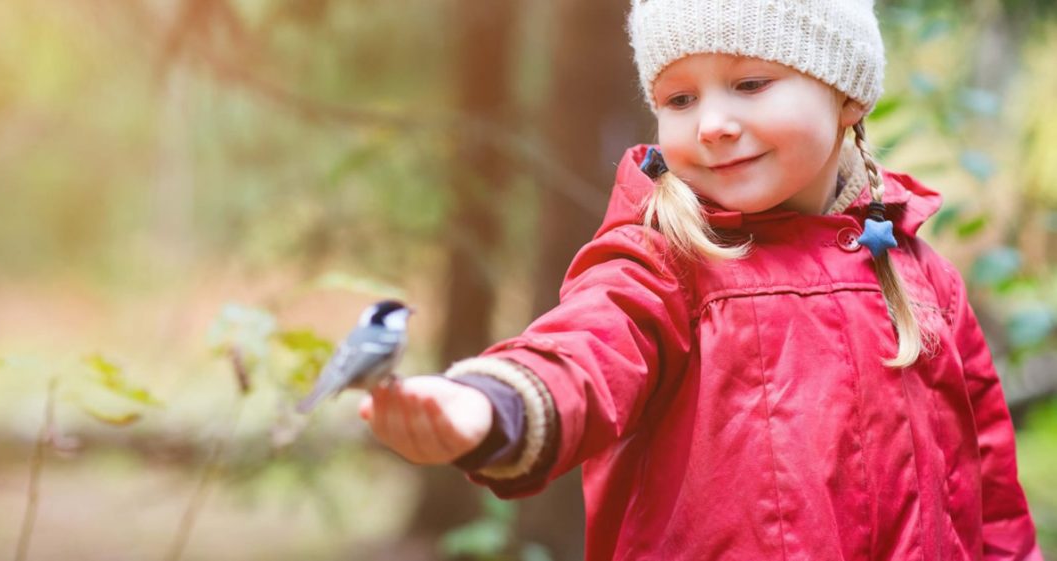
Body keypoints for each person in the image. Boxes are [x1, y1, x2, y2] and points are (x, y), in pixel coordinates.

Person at [358, 0, 1043, 559]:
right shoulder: (665, 264)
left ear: (848, 97)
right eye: (679, 97)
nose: (713, 123)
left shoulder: (926, 282)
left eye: (749, 84)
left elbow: (990, 497)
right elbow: (591, 346)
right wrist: (495, 403)